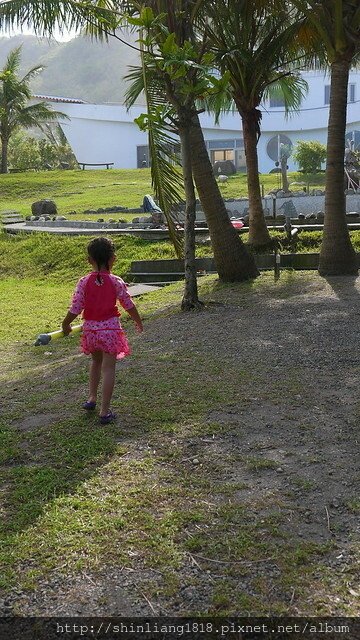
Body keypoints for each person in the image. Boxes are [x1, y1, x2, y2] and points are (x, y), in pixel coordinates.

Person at [62, 237, 143, 425]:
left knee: (96, 362)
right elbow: (128, 305)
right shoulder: (116, 281)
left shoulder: (83, 282)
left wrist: (65, 324)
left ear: (89, 260)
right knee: (108, 369)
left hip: (91, 331)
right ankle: (104, 411)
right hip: (110, 331)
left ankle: (91, 398)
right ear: (112, 259)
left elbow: (76, 307)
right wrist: (138, 321)